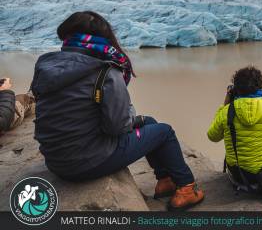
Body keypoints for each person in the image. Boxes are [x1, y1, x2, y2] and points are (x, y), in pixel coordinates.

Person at [31, 11, 204, 211]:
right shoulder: (106, 72)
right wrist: (130, 113)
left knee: (149, 122)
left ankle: (165, 181)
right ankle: (186, 189)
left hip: (55, 160)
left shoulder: (46, 64)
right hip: (87, 162)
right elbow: (117, 127)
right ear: (104, 38)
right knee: (164, 132)